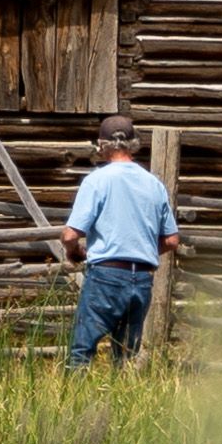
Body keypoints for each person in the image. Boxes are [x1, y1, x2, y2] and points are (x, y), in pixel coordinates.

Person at [57, 115, 174, 365]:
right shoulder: (154, 185)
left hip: (106, 274)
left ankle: (72, 402)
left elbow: (70, 234)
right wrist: (141, 248)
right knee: (125, 355)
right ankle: (122, 399)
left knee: (82, 350)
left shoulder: (97, 181)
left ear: (101, 145)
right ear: (133, 144)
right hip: (142, 277)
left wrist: (74, 251)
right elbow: (172, 240)